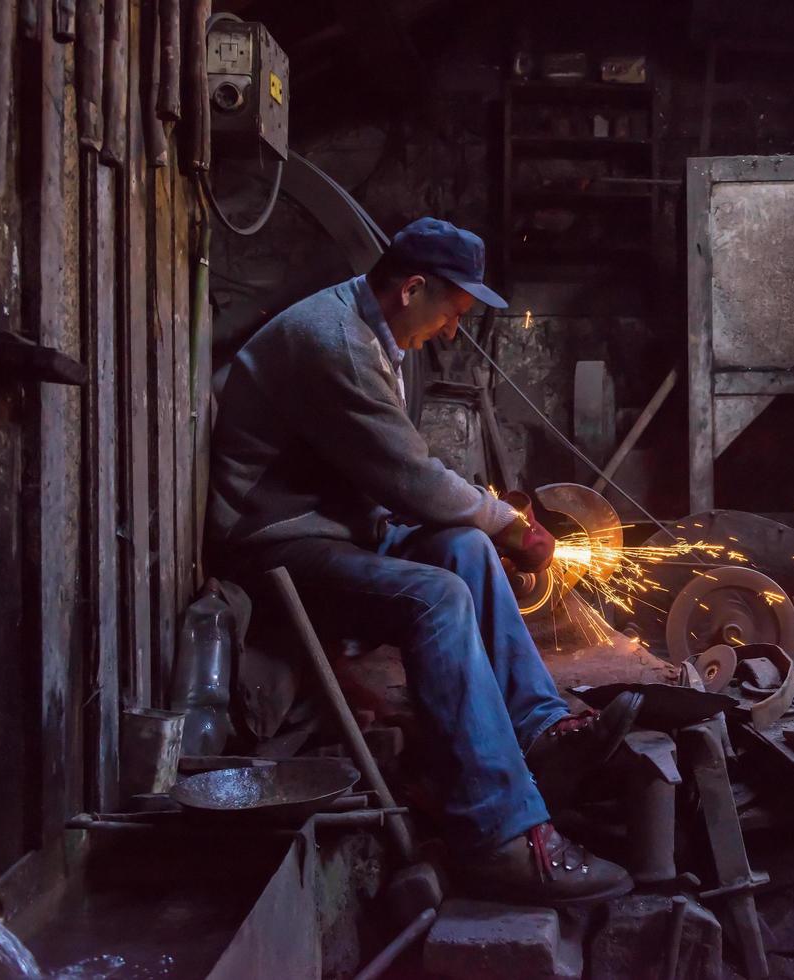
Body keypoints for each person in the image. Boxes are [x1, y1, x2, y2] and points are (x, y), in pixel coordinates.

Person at [206, 217, 634, 907]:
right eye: (452, 314)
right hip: (277, 546)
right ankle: (497, 837)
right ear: (411, 289)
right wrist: (510, 525)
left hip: (339, 528)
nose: (451, 331)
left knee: (461, 548)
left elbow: (405, 484)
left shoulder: (370, 331)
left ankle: (540, 732)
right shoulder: (338, 344)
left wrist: (485, 528)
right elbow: (411, 478)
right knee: (437, 597)